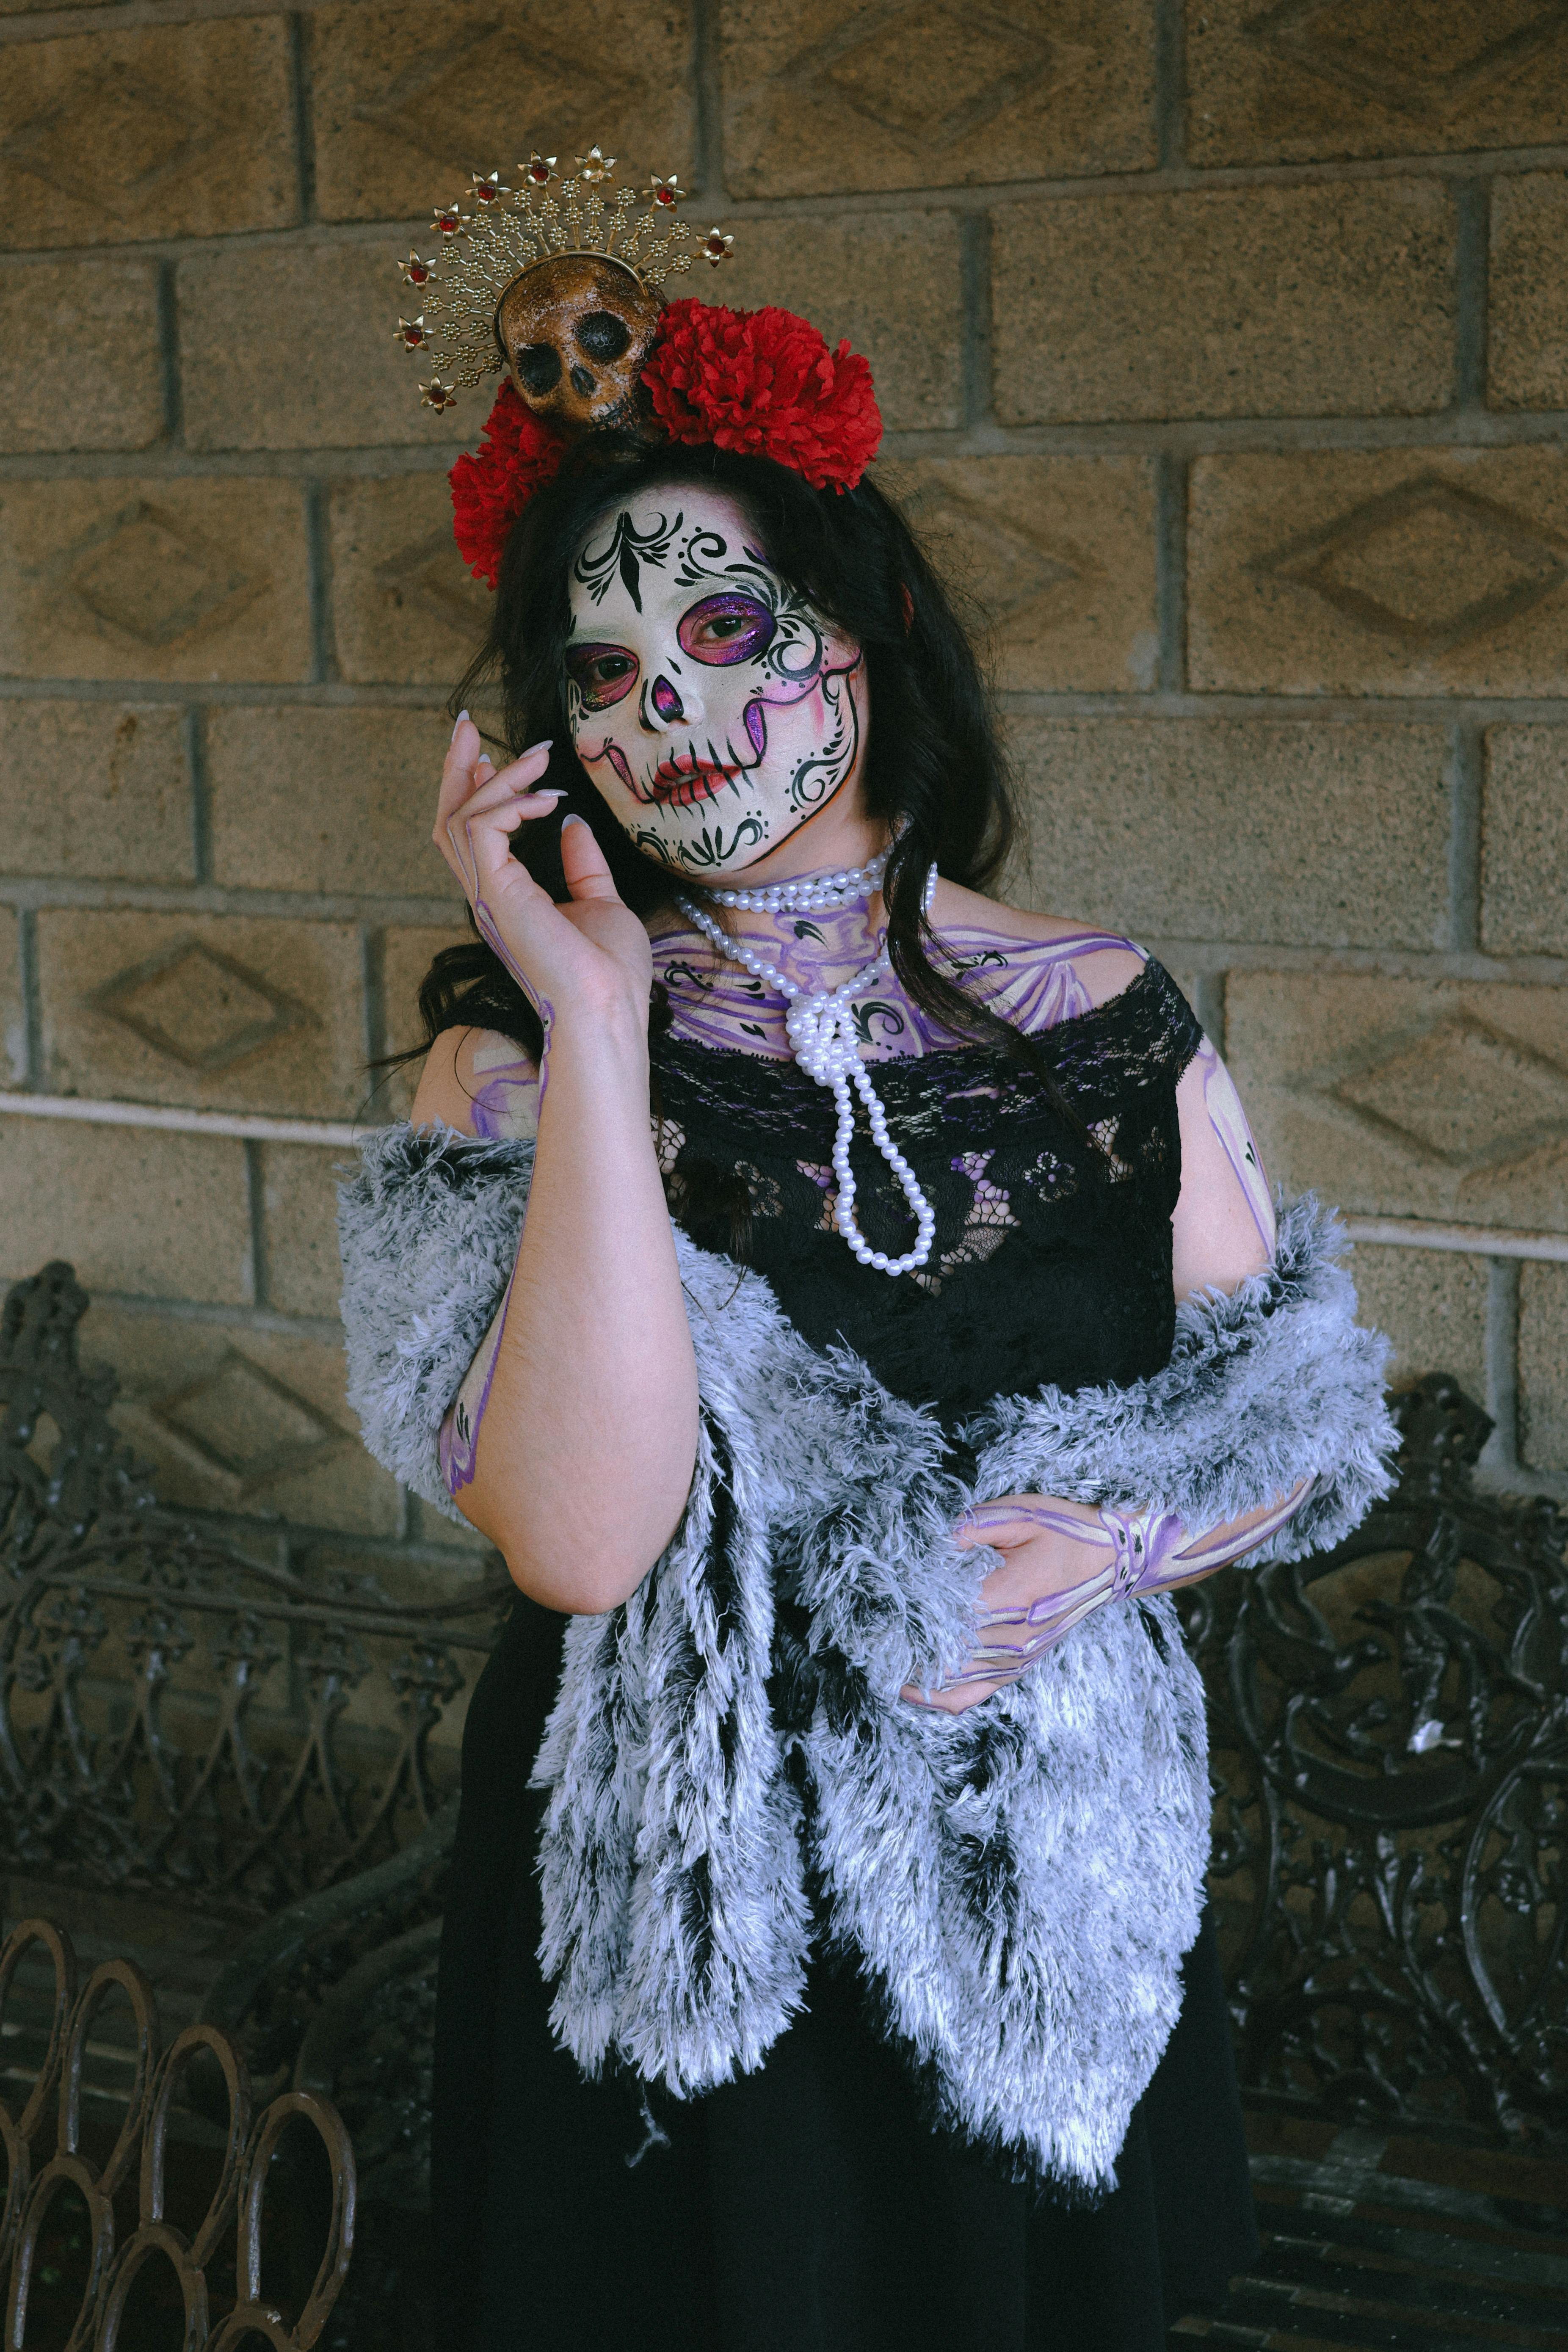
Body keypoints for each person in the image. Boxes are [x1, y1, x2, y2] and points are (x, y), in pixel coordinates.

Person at [340, 152, 1396, 2352]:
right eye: (602, 666)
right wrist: (602, 1011)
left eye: (725, 628)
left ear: (861, 622)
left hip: (1038, 1884)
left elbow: (1285, 1416)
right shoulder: (513, 1077)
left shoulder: (1101, 1015)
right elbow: (575, 1528)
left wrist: (1102, 1549)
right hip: (669, 1935)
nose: (674, 711)